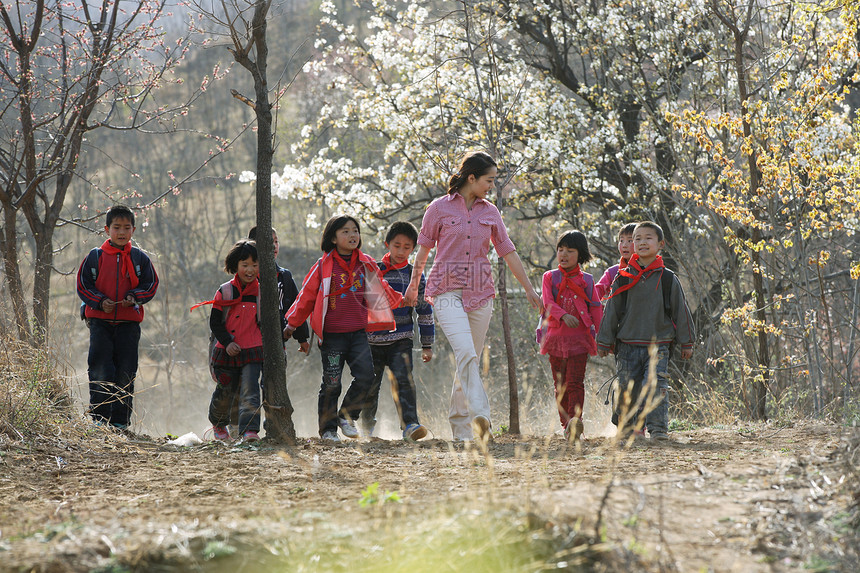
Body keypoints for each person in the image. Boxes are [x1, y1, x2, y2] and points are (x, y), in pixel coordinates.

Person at [403, 151, 542, 442]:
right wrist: (414, 285)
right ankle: (482, 417)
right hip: (445, 291)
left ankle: (461, 430)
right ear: (472, 177)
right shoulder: (439, 208)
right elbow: (424, 251)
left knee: (470, 359)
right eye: (489, 180)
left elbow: (508, 251)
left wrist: (529, 288)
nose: (492, 185)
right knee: (466, 353)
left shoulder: (489, 211)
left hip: (481, 294)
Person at [284, 215, 403, 442]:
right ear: (333, 237)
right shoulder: (323, 265)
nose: (352, 235)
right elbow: (306, 296)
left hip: (358, 334)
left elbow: (382, 287)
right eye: (345, 231)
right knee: (332, 383)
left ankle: (347, 417)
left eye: (355, 231)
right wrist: (292, 323)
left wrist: (400, 300)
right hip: (332, 337)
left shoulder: (366, 263)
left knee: (367, 376)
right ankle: (327, 430)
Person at [596, 221, 695, 441]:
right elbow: (611, 311)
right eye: (637, 239)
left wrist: (687, 342)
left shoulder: (668, 278)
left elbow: (681, 311)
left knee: (655, 387)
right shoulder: (622, 277)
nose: (641, 242)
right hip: (627, 345)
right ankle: (627, 428)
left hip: (658, 345)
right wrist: (603, 341)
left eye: (647, 238)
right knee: (626, 388)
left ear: (661, 244)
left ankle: (658, 429)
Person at [77, 205, 159, 430]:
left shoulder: (139, 258)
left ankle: (121, 422)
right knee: (101, 368)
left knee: (125, 371)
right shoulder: (95, 257)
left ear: (133, 230)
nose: (121, 232)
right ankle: (99, 420)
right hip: (99, 322)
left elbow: (151, 285)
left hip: (128, 324)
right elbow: (83, 286)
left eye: (126, 227)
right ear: (107, 229)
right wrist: (100, 301)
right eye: (116, 227)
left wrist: (135, 297)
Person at [360, 221, 434, 441]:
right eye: (397, 245)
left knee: (403, 381)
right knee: (370, 386)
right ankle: (366, 429)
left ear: (414, 249)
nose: (401, 251)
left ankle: (410, 425)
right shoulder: (374, 271)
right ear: (387, 244)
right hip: (371, 340)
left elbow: (424, 311)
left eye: (407, 247)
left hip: (401, 339)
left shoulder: (415, 276)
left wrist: (427, 344)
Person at [539, 230, 602, 442]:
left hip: (579, 341)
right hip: (555, 340)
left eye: (570, 250)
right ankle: (566, 425)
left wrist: (602, 337)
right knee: (560, 386)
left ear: (580, 254)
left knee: (576, 382)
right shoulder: (550, 277)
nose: (563, 254)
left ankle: (576, 422)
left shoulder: (587, 280)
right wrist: (563, 315)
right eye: (560, 249)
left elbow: (595, 308)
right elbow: (547, 303)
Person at [205, 239, 265, 443]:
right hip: (227, 350)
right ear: (235, 266)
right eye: (245, 265)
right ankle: (219, 423)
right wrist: (228, 342)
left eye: (255, 265)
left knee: (251, 389)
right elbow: (215, 322)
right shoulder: (225, 291)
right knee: (225, 391)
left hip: (253, 349)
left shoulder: (262, 292)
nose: (250, 270)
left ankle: (249, 430)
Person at [248, 226, 310, 354]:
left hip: (278, 339)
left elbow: (295, 305)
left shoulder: (284, 276)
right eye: (269, 242)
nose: (274, 246)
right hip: (249, 340)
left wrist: (302, 338)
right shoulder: (248, 276)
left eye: (276, 241)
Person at [594, 222, 637, 301]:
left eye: (630, 240)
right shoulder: (612, 272)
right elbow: (595, 294)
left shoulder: (650, 270)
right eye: (621, 240)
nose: (624, 245)